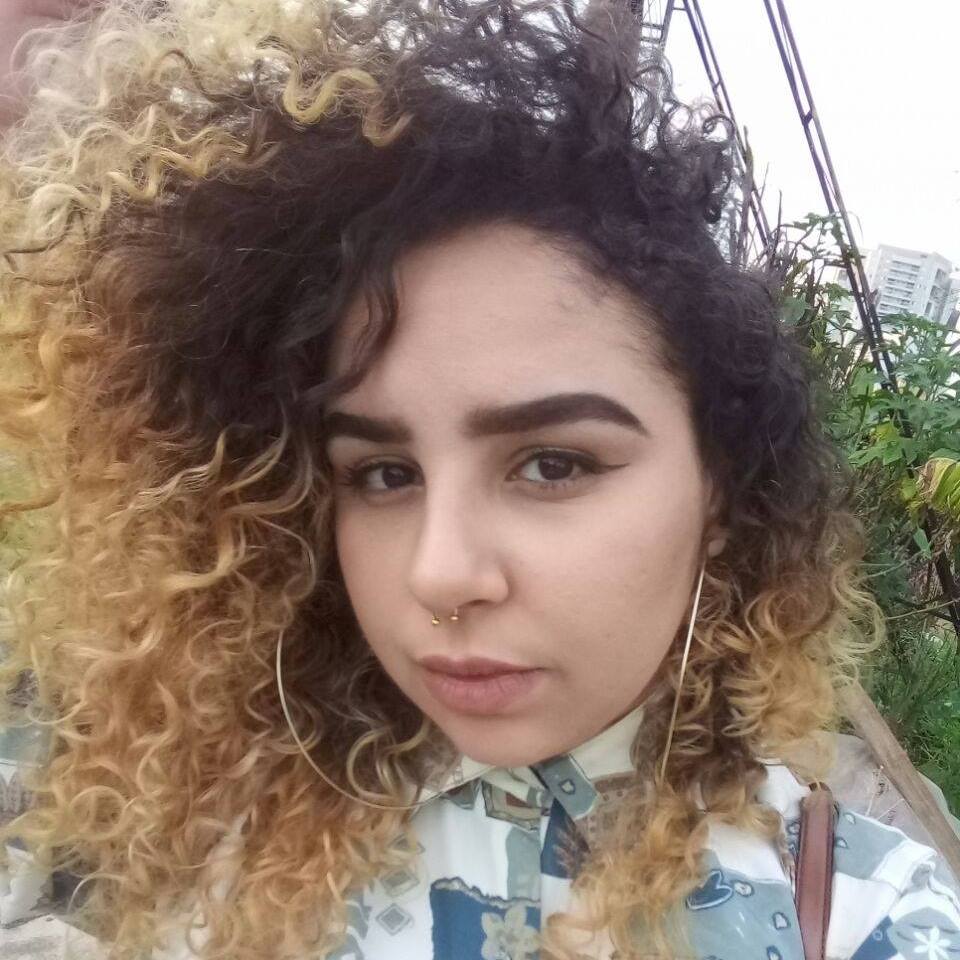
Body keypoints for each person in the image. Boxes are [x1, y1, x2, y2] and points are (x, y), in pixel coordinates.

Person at [0, 0, 958, 957]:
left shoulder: (877, 918)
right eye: (382, 474)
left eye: (552, 464)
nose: (439, 573)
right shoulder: (211, 828)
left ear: (721, 492)